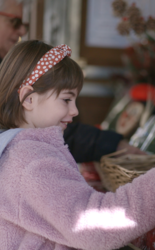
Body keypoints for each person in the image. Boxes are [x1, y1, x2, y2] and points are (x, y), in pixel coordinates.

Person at [0, 40, 155, 249]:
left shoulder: (18, 151)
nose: (75, 111)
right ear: (28, 99)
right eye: (66, 99)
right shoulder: (33, 161)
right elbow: (93, 227)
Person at [0, 0, 145, 163]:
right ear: (28, 98)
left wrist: (111, 144)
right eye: (15, 22)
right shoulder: (30, 160)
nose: (22, 30)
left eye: (24, 23)